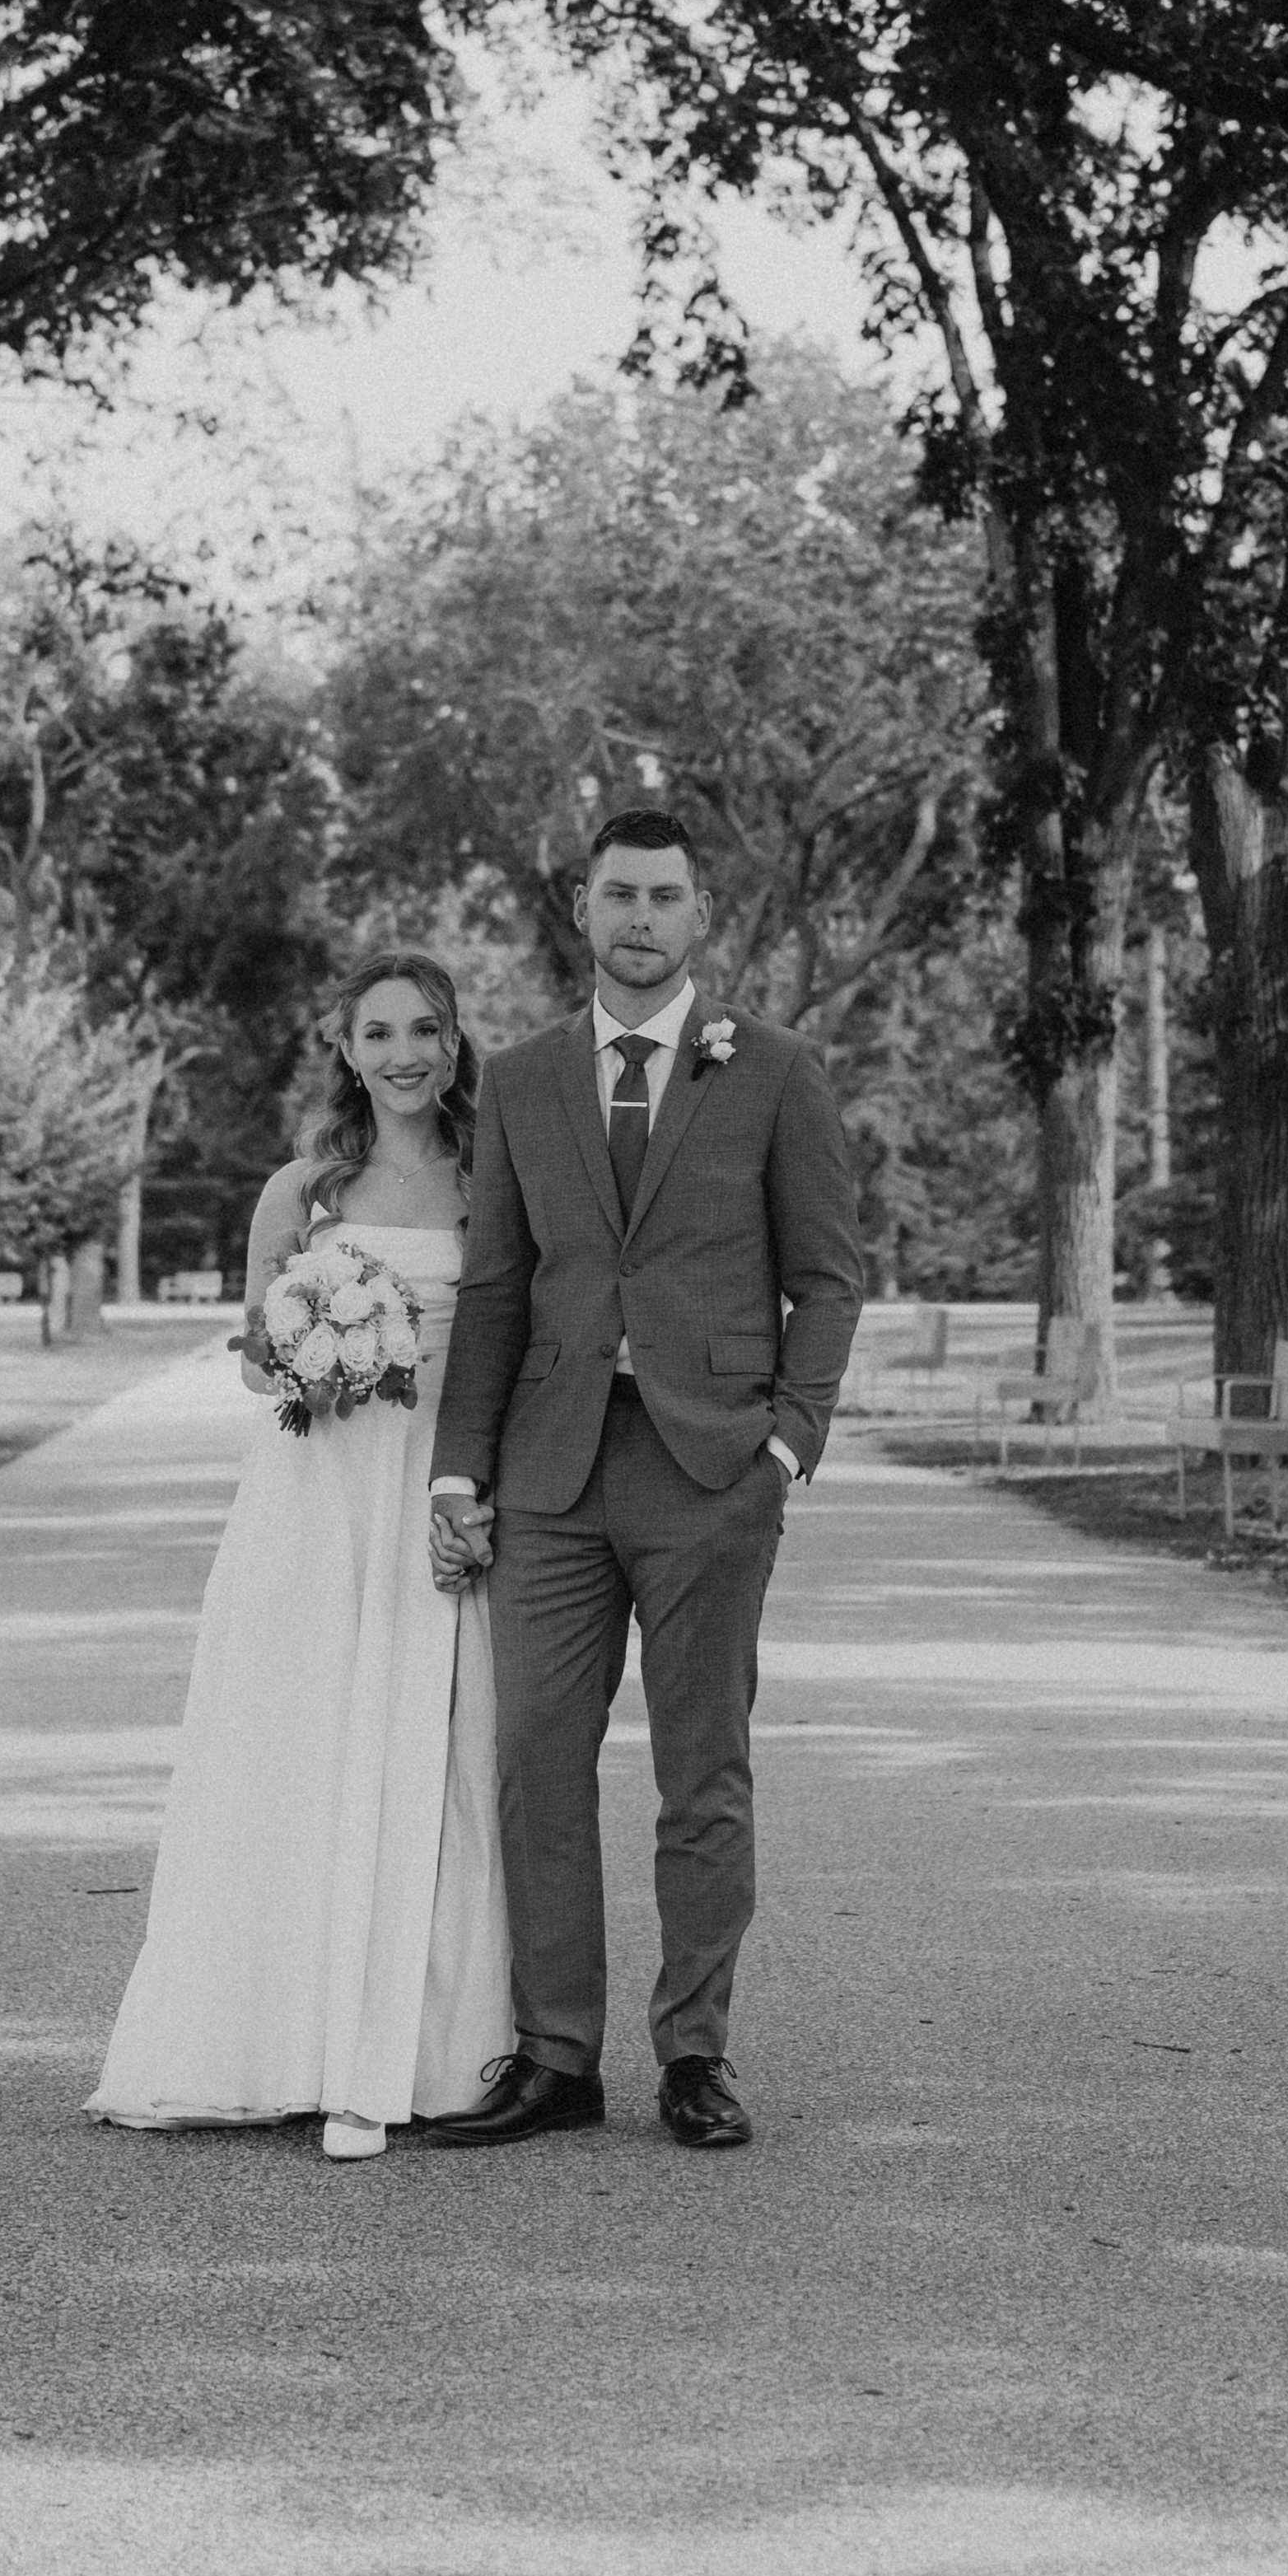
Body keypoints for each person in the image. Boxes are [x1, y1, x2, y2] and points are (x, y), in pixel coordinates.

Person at [411, 806, 864, 2154]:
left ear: (698, 917)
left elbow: (828, 1277)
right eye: (621, 895)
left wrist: (788, 1444)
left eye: (667, 897)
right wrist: (456, 1472)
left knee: (701, 1773)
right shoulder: (526, 1079)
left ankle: (695, 2055)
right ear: (584, 909)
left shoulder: (775, 1072)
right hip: (551, 1474)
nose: (643, 919)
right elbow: (496, 1286)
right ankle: (556, 2057)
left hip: (710, 1469)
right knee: (533, 1766)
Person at [87, 954, 516, 2160]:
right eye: (378, 1032)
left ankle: (413, 2053)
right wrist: (318, 1352)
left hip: (438, 1480)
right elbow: (252, 1352)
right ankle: (279, 2039)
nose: (403, 1054)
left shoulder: (495, 1180)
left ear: (453, 1039)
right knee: (301, 1743)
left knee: (436, 1752)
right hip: (318, 1489)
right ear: (345, 1047)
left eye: (425, 1028)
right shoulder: (300, 1192)